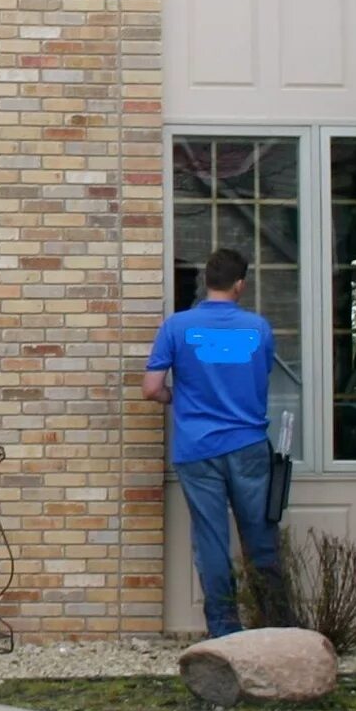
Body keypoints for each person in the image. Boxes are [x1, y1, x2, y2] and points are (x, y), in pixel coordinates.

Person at [142, 247, 295, 638]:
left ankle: (224, 631)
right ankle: (276, 626)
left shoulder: (176, 327)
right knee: (260, 536)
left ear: (207, 282)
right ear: (240, 285)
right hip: (247, 446)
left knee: (211, 539)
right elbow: (259, 377)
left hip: (197, 449)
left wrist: (176, 398)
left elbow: (152, 388)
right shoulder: (257, 329)